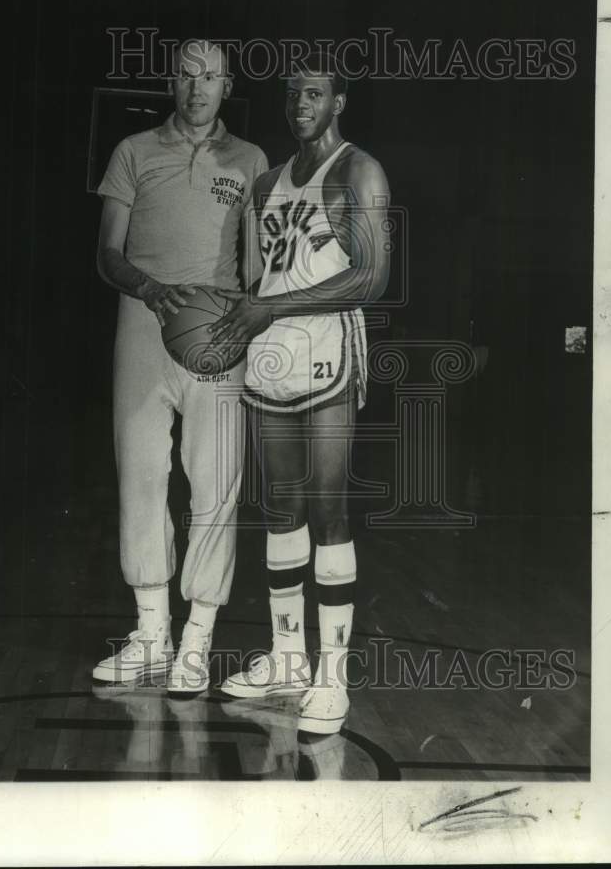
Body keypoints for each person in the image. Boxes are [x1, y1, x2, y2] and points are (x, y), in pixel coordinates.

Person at [213, 52, 390, 734]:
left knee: (327, 505)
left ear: (338, 101)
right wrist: (232, 316)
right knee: (278, 505)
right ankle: (286, 658)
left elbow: (372, 279)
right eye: (290, 94)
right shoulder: (265, 185)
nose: (298, 104)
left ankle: (331, 675)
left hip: (326, 347)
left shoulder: (358, 171)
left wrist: (270, 311)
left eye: (312, 93)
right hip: (271, 348)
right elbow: (267, 281)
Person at [92, 39, 268, 694]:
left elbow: (256, 266)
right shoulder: (133, 152)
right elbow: (107, 253)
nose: (198, 88)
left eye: (211, 77)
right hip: (143, 323)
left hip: (216, 332)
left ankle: (196, 644)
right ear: (172, 82)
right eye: (187, 76)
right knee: (140, 477)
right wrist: (148, 288)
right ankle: (149, 637)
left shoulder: (250, 160)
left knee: (215, 485)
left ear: (227, 86)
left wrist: (253, 316)